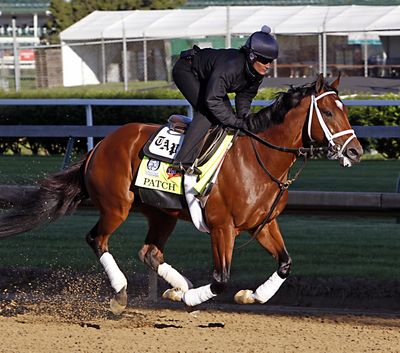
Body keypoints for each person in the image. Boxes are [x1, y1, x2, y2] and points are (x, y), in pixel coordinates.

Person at [170, 25, 279, 175]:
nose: (268, 66)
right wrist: (236, 122)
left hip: (207, 79)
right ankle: (182, 163)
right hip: (186, 70)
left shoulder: (256, 74)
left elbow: (244, 96)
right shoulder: (231, 66)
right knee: (207, 113)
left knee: (228, 117)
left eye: (270, 61)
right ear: (252, 56)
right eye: (265, 60)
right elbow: (212, 100)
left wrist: (245, 119)